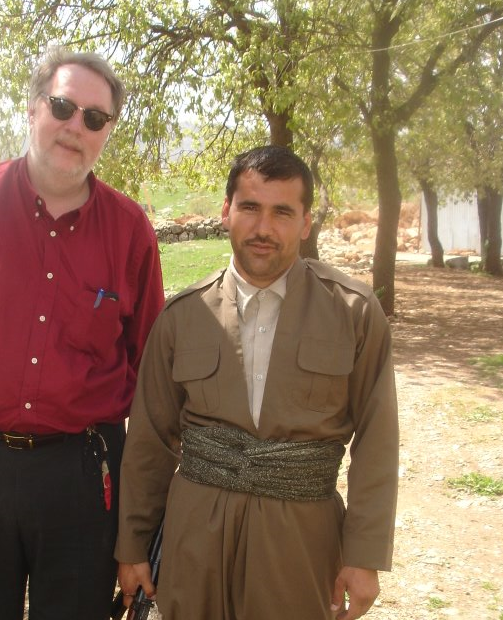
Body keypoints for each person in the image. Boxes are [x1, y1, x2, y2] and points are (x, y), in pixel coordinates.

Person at [0, 46, 164, 620]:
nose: (76, 127)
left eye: (95, 118)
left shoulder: (129, 231)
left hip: (82, 472)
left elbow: (149, 366)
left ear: (108, 132)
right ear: (32, 108)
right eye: (64, 107)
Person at [116, 145, 399, 620]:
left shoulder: (353, 313)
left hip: (301, 537)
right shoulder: (181, 318)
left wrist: (364, 555)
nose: (263, 228)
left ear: (306, 222)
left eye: (282, 212)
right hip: (196, 534)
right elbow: (149, 441)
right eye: (250, 207)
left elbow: (377, 441)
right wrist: (133, 546)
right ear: (226, 212)